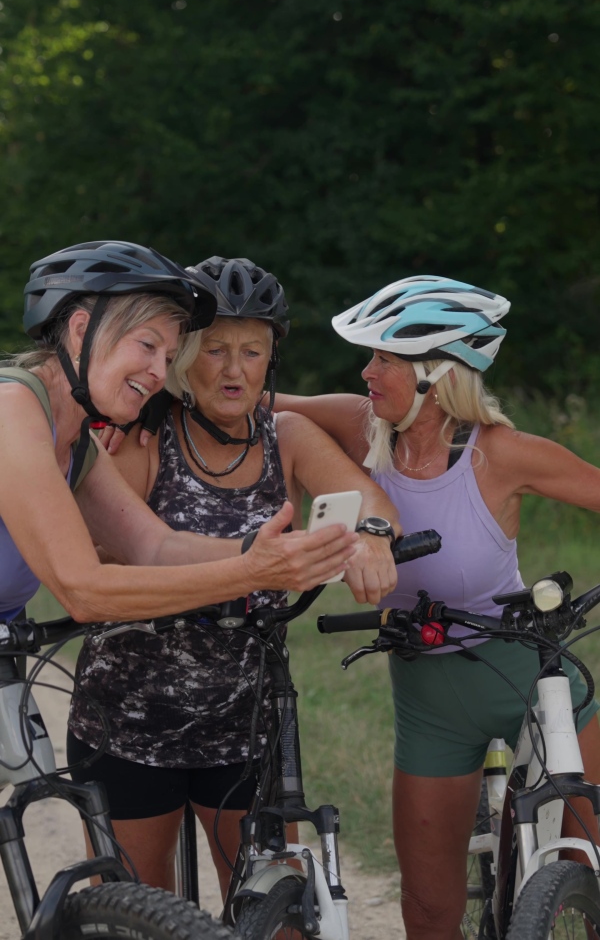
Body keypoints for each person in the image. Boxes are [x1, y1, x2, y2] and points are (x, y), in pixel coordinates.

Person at [264, 274, 600, 940]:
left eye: (383, 358)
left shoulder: (502, 454)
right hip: (429, 696)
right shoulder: (363, 429)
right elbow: (257, 404)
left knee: (584, 866)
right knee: (428, 910)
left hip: (528, 670)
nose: (366, 371)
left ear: (436, 373)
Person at [67, 256, 401, 898]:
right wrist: (239, 565)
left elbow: (373, 505)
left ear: (270, 362)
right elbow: (109, 560)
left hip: (247, 718)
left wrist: (373, 538)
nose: (232, 368)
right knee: (141, 914)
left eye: (252, 351)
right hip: (131, 716)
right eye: (214, 349)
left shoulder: (288, 436)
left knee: (278, 908)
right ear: (184, 356)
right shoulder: (141, 439)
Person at [0, 240, 359, 632]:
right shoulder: (12, 410)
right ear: (81, 332)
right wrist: (249, 572)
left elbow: (155, 547)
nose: (159, 372)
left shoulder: (78, 443)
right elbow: (83, 590)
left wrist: (263, 551)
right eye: (147, 345)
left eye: (169, 359)